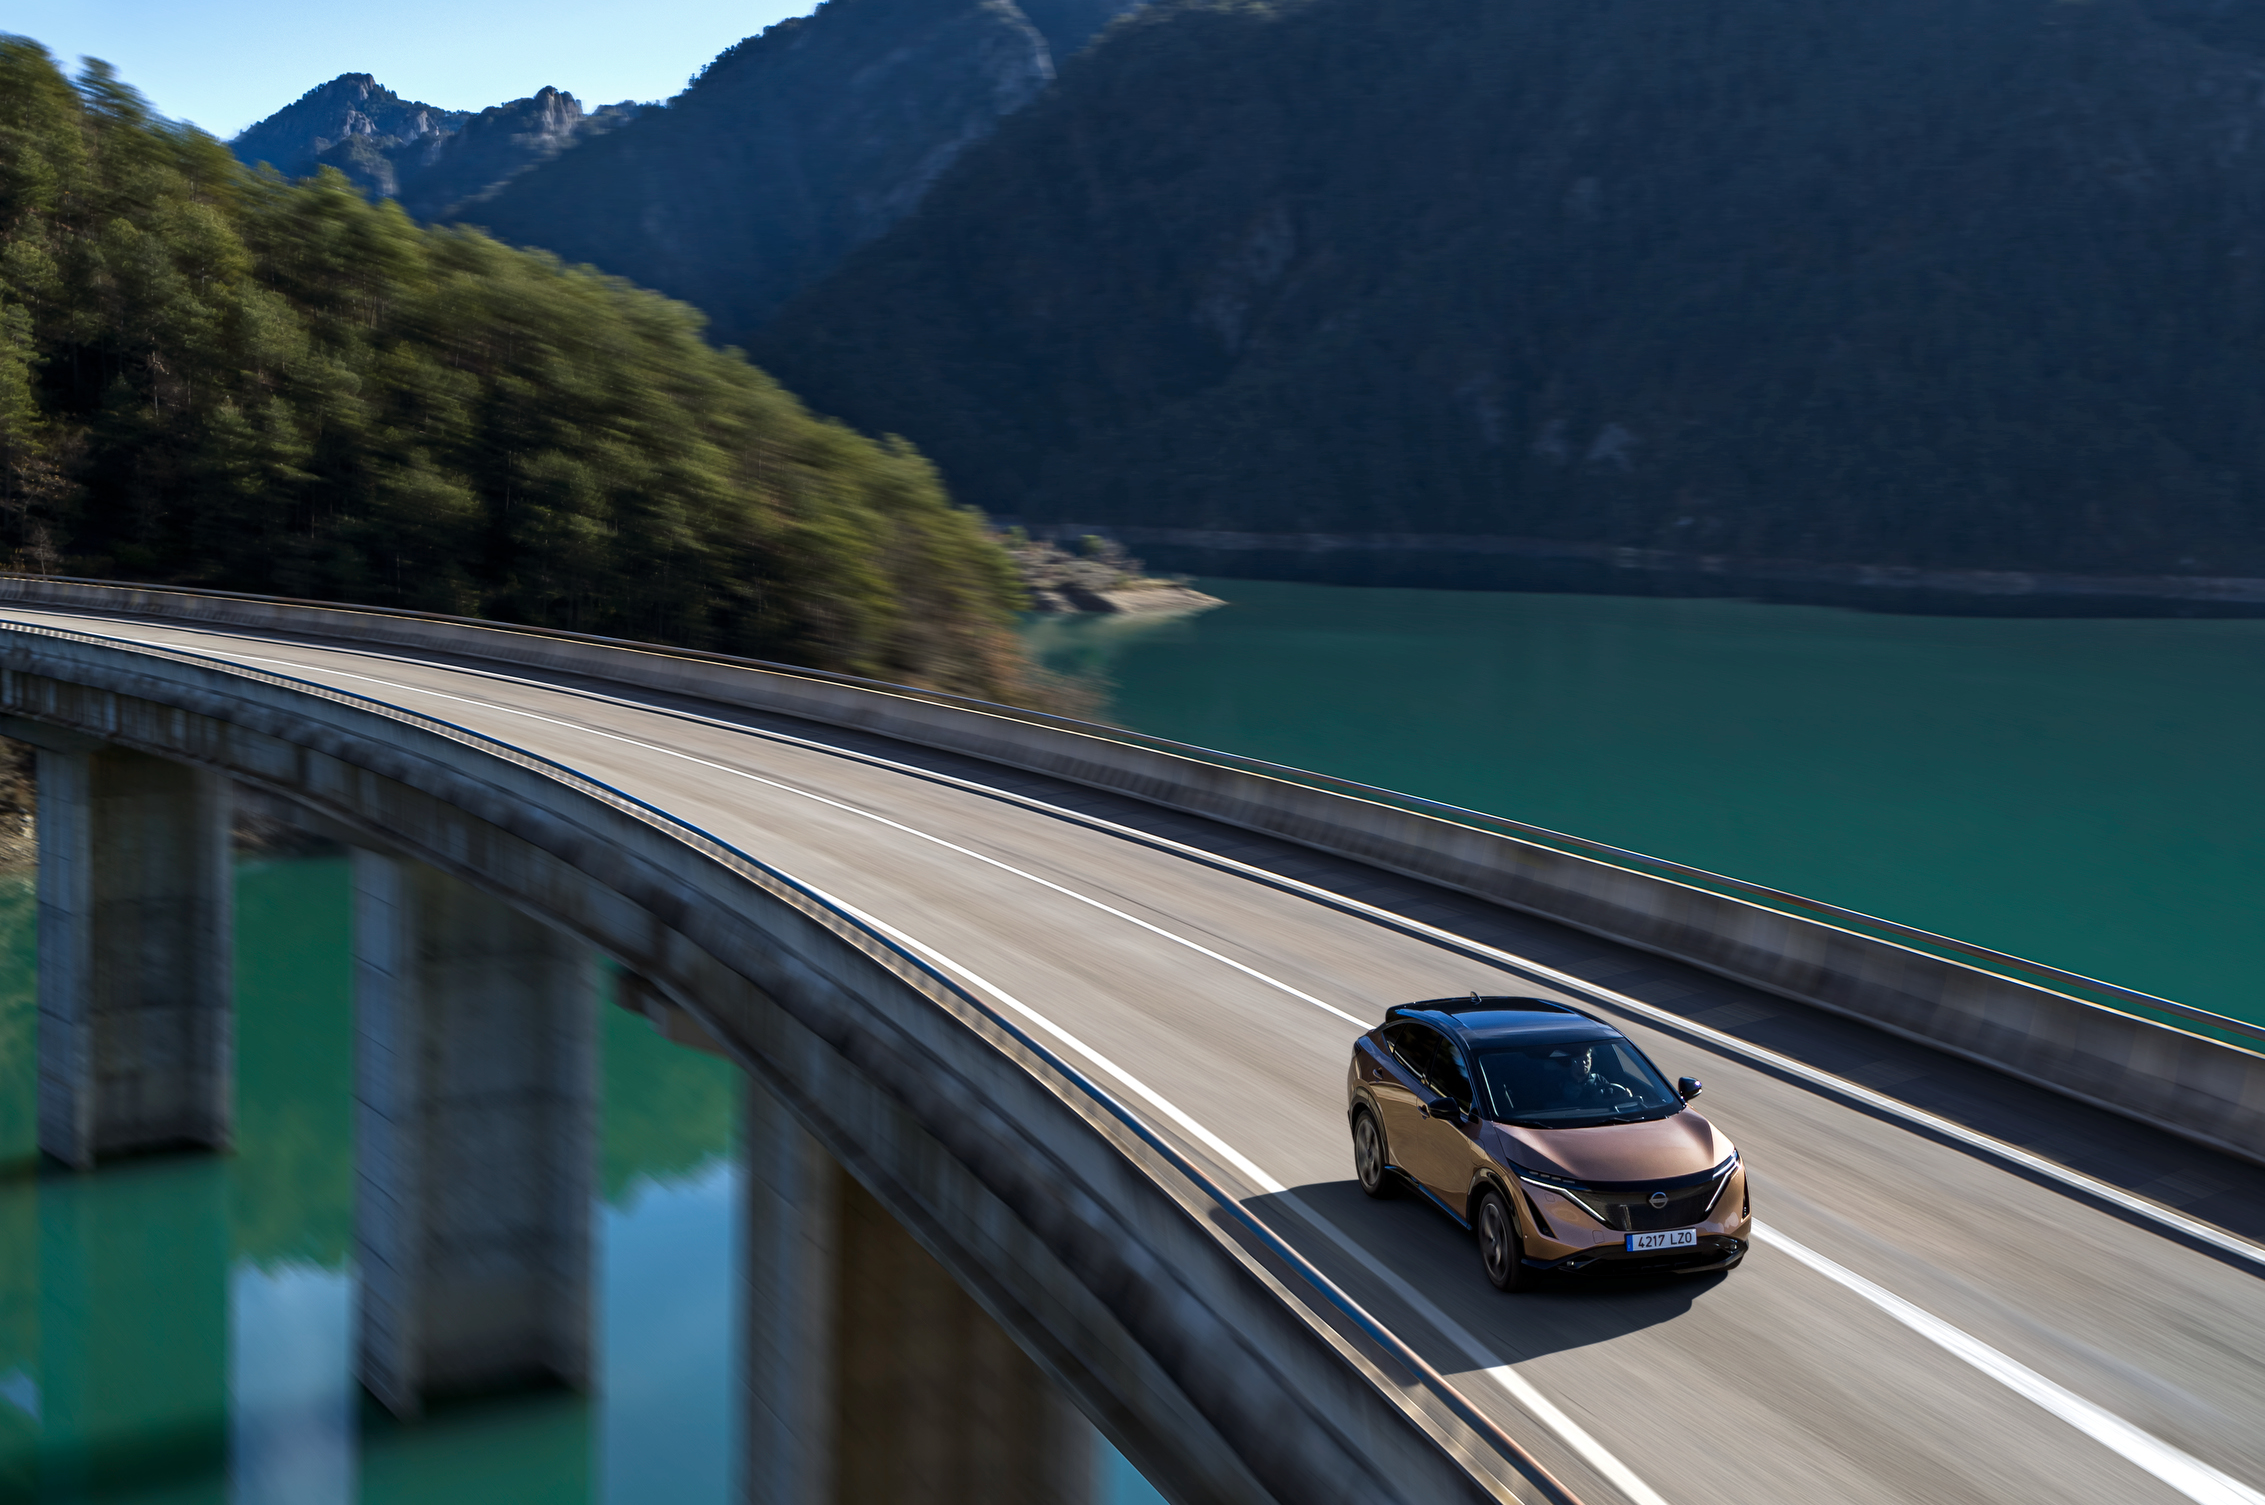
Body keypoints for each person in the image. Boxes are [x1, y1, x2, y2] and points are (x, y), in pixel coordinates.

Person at [1540, 1044, 1636, 1110]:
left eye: (1586, 1059)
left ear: (1591, 1060)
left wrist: (1625, 1097)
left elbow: (1612, 1098)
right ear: (1571, 1061)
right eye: (1579, 1060)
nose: (1583, 1063)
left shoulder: (1600, 1080)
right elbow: (1550, 1107)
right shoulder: (1560, 1083)